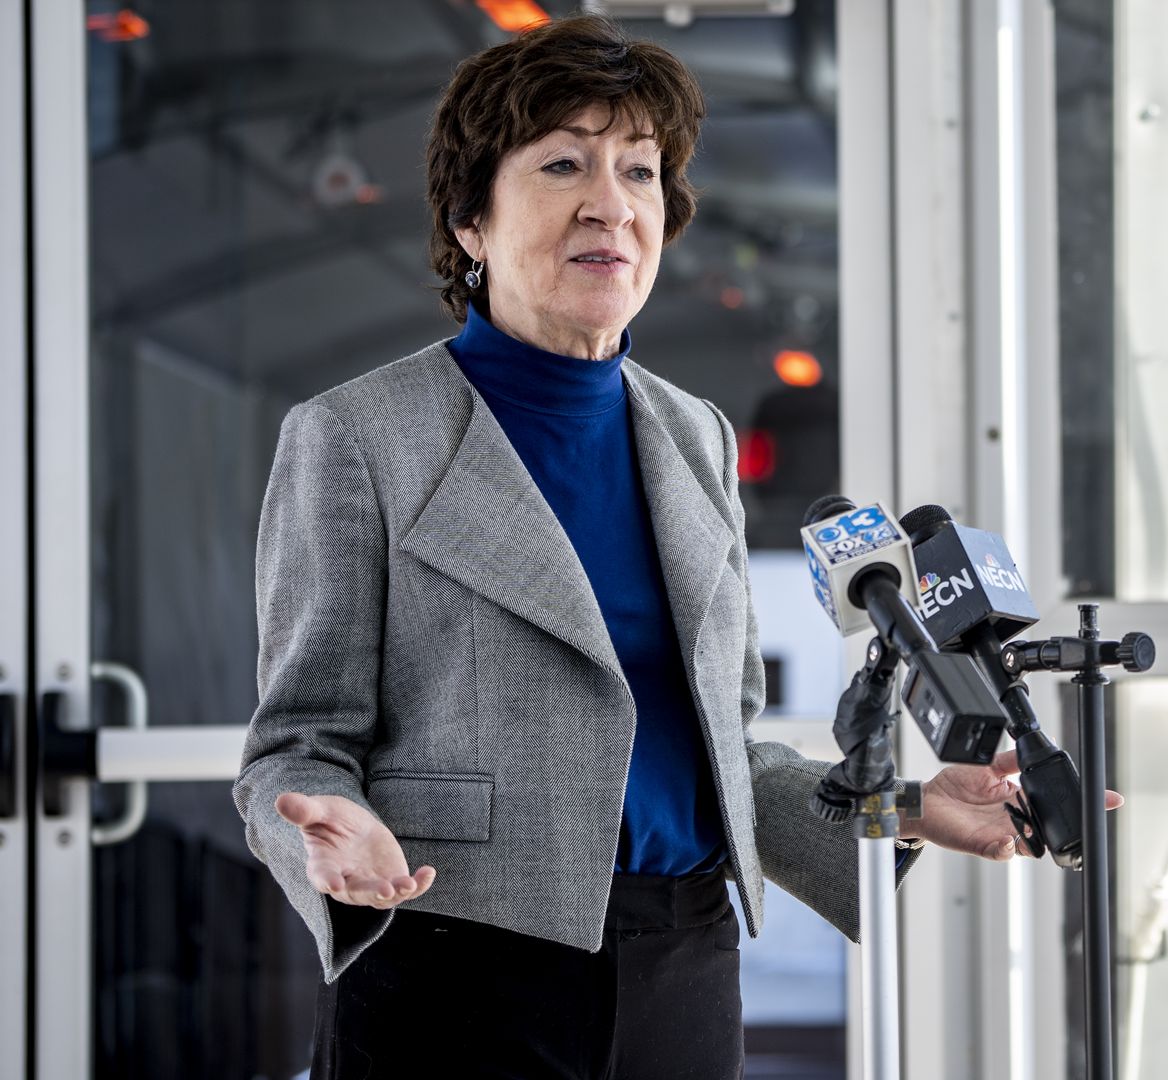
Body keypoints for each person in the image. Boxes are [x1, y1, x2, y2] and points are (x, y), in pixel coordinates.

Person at [230, 14, 1120, 1079]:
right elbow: (295, 746)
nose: (610, 202)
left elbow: (727, 750)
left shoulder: (692, 433)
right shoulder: (357, 437)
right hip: (453, 969)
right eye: (563, 163)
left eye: (640, 171)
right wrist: (324, 834)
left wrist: (910, 811)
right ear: (470, 219)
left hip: (684, 967)